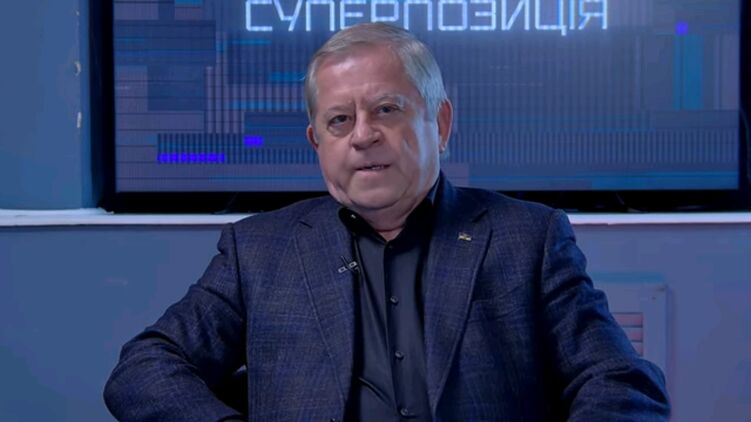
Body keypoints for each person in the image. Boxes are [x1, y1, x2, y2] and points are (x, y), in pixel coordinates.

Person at [104, 23, 670, 421]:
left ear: (440, 124)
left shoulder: (528, 238)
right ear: (317, 143)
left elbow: (622, 382)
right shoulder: (258, 250)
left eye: (386, 110)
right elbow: (145, 368)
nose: (362, 135)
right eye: (339, 120)